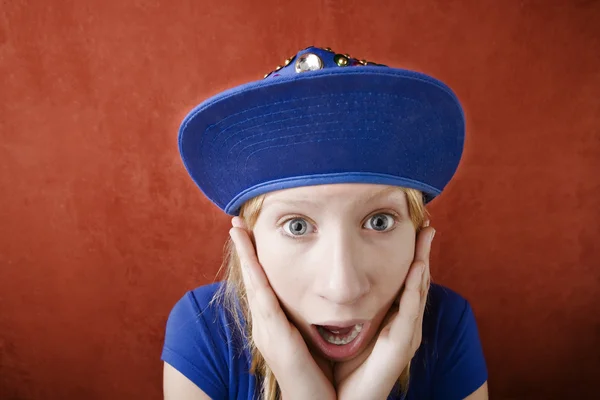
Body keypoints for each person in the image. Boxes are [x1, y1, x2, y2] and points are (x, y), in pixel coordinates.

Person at [161, 46, 489, 400]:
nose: (342, 289)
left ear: (418, 231)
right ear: (249, 242)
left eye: (379, 221)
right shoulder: (203, 330)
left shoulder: (447, 325)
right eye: (297, 226)